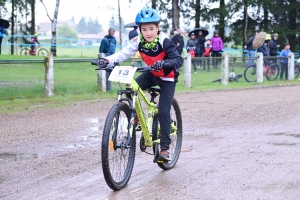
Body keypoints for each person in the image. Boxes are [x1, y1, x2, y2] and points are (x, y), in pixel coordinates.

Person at [96, 8, 183, 162]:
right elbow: (122, 54)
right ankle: (134, 116)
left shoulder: (164, 41)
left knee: (163, 111)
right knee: (131, 86)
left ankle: (164, 149)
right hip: (151, 73)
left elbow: (178, 60)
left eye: (151, 28)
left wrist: (165, 63)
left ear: (158, 28)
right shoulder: (138, 41)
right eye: (144, 29)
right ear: (139, 30)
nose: (148, 32)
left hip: (167, 77)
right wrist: (108, 60)